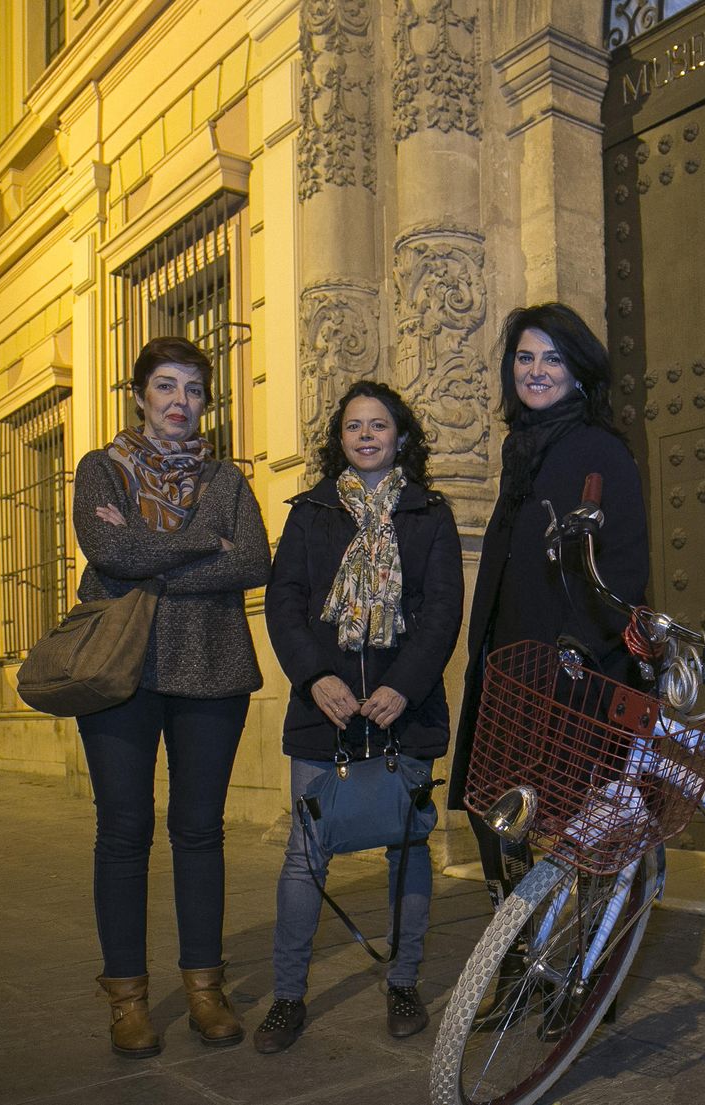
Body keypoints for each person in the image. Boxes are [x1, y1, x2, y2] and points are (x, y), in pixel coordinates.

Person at [72, 336, 271, 1058]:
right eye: (165, 386)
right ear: (140, 395)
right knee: (123, 831)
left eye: (192, 389)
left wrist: (156, 562)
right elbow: (109, 554)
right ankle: (126, 999)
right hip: (119, 672)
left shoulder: (228, 480)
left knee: (199, 829)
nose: (180, 401)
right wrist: (201, 547)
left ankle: (204, 989)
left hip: (212, 669)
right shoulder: (102, 469)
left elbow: (253, 560)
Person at [256, 381, 463, 1053]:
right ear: (339, 438)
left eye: (380, 425)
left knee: (407, 847)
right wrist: (315, 676)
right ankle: (288, 996)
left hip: (406, 710)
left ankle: (402, 982)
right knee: (304, 855)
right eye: (354, 426)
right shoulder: (310, 512)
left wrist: (404, 685)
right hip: (326, 714)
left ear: (401, 436)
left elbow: (441, 611)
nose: (367, 435)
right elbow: (283, 602)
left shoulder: (430, 513)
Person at [447, 302, 651, 909]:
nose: (536, 370)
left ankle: (586, 977)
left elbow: (625, 566)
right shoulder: (522, 449)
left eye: (553, 359)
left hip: (575, 667)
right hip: (511, 665)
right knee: (498, 809)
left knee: (576, 819)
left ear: (580, 371)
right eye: (525, 357)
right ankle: (513, 957)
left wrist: (579, 649)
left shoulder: (599, 449)